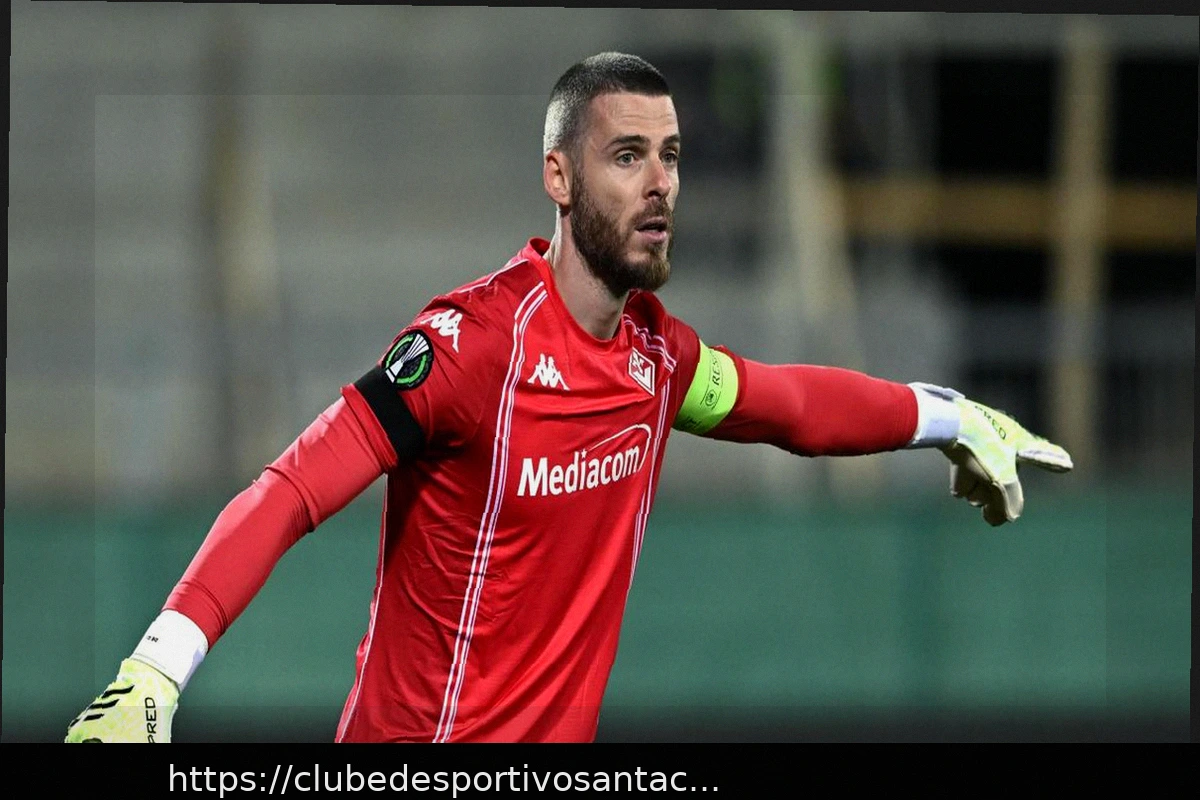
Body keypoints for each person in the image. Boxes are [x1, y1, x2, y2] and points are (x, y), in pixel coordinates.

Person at [65, 52, 1072, 744]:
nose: (660, 183)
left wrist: (949, 415)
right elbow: (290, 489)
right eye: (626, 155)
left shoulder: (655, 357)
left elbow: (788, 405)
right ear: (558, 174)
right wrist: (159, 667)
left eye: (670, 154)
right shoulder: (468, 345)